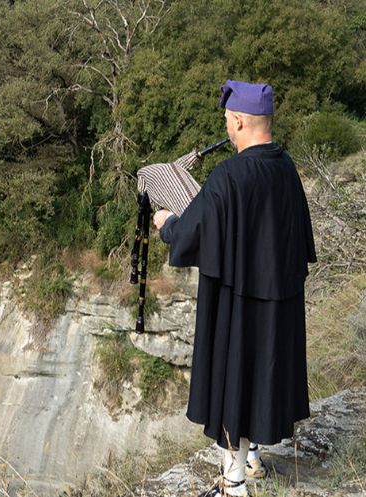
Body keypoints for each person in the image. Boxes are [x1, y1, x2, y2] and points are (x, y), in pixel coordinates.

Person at [153, 80, 316, 497]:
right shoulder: (286, 167)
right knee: (262, 375)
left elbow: (193, 231)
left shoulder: (230, 174)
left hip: (239, 300)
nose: (226, 128)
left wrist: (167, 224)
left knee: (236, 380)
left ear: (240, 120)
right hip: (279, 301)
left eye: (228, 121)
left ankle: (235, 482)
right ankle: (253, 457)